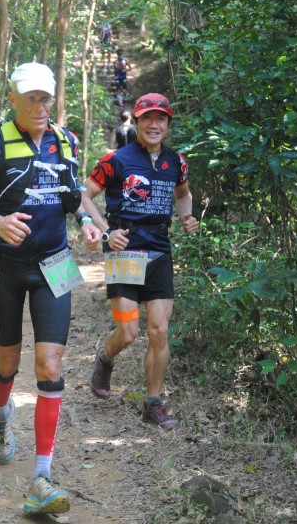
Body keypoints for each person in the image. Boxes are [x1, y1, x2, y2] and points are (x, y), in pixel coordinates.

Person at [0, 62, 101, 514]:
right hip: (6, 266)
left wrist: (87, 221)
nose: (39, 106)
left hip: (56, 262)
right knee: (8, 360)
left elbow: (73, 193)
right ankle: (1, 417)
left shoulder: (66, 140)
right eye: (30, 98)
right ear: (13, 98)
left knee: (50, 363)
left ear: (53, 99)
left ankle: (42, 477)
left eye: (45, 98)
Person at [81, 93, 198, 430]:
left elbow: (183, 194)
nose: (154, 124)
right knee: (129, 332)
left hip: (159, 250)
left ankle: (153, 403)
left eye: (161, 118)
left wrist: (186, 216)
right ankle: (105, 357)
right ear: (137, 121)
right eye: (147, 118)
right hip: (125, 253)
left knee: (159, 330)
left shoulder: (177, 162)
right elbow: (84, 194)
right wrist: (105, 232)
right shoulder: (115, 160)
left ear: (168, 124)